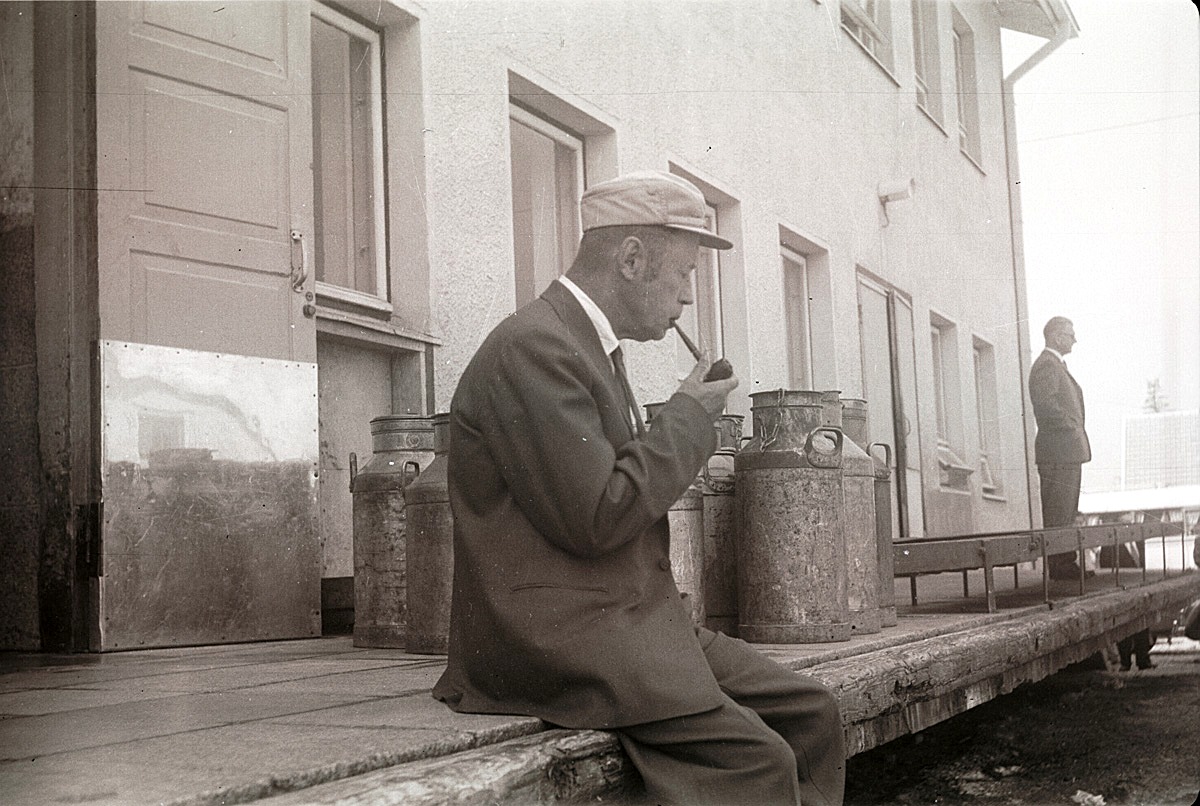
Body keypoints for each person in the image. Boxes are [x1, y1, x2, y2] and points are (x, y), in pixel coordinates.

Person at [432, 171, 845, 806]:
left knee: (810, 711)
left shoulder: (586, 346)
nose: (686, 298)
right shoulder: (535, 348)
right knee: (755, 763)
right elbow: (599, 516)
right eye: (682, 274)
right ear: (630, 259)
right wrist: (686, 417)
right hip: (553, 638)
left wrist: (684, 417)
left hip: (616, 615)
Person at [1028, 316, 1092, 580]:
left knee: (1065, 509)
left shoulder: (1054, 365)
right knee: (1058, 509)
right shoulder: (1047, 366)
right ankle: (1060, 565)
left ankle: (1065, 563)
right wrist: (1072, 427)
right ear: (1056, 337)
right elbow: (1046, 407)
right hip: (1058, 451)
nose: (1074, 340)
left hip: (1065, 451)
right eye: (1069, 335)